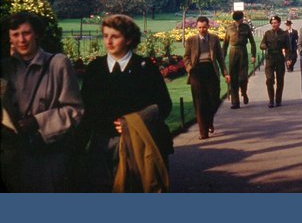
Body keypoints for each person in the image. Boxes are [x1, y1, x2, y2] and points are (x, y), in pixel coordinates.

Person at [80, 14, 173, 192]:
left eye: (115, 36)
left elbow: (163, 105)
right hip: (101, 145)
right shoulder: (95, 69)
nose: (109, 41)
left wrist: (132, 122)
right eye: (105, 36)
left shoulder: (145, 68)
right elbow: (86, 108)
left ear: (129, 39)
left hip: (136, 146)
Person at [1, 12, 84, 192]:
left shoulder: (58, 64)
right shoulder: (5, 68)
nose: (21, 39)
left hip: (48, 157)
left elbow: (75, 110)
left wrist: (38, 122)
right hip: (14, 158)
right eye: (15, 35)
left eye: (26, 33)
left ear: (37, 34)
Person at [184, 16, 229, 139]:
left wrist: (226, 73)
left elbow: (220, 58)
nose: (202, 30)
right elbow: (186, 57)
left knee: (214, 100)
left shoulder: (214, 39)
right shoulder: (191, 40)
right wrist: (190, 69)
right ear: (196, 27)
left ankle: (209, 121)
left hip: (211, 70)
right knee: (199, 103)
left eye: (204, 27)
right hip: (197, 71)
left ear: (208, 26)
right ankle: (203, 132)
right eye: (199, 27)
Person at [223, 10, 256, 109]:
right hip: (233, 51)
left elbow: (252, 42)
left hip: (243, 51)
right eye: (242, 18)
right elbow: (225, 44)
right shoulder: (229, 28)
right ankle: (235, 102)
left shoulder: (246, 27)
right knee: (233, 78)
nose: (243, 19)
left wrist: (253, 55)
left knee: (243, 77)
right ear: (238, 18)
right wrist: (222, 57)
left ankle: (244, 92)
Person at [259, 15, 289, 108]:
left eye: (275, 23)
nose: (274, 24)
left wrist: (288, 59)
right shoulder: (268, 33)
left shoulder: (284, 34)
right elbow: (262, 44)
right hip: (270, 58)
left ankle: (278, 100)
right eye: (272, 23)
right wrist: (264, 46)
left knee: (280, 80)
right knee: (269, 80)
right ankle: (271, 100)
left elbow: (288, 48)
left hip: (279, 57)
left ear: (279, 23)